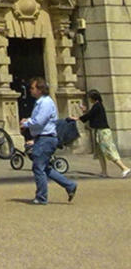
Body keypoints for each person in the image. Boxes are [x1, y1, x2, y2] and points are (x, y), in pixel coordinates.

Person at [21, 76, 77, 205]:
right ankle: (69, 185)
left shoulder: (45, 102)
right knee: (44, 168)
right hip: (43, 138)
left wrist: (26, 123)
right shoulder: (41, 102)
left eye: (32, 88)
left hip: (46, 139)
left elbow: (40, 121)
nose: (30, 90)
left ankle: (41, 197)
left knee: (38, 167)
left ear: (39, 89)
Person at [75, 89, 130, 178]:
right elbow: (91, 115)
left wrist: (78, 118)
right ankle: (104, 171)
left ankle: (124, 168)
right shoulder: (96, 106)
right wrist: (84, 112)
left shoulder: (97, 106)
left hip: (103, 131)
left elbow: (89, 116)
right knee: (100, 152)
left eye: (90, 98)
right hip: (98, 131)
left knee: (109, 151)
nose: (89, 100)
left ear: (93, 98)